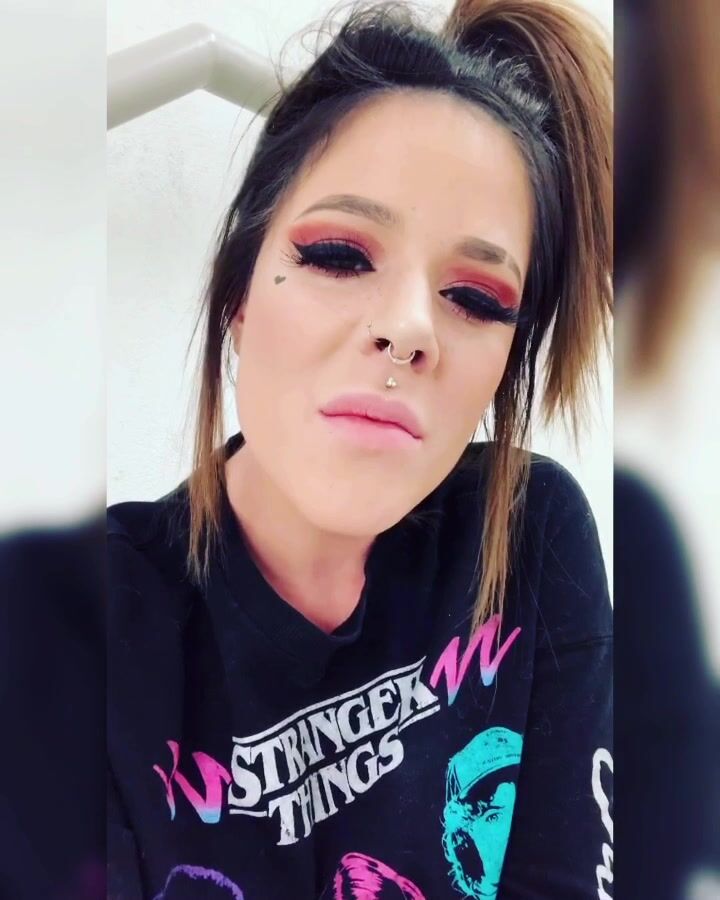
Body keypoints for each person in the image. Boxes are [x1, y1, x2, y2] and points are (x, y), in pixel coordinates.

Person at [108, 1, 612, 897]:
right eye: (340, 254)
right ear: (239, 294)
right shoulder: (78, 618)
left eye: (477, 298)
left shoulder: (533, 536)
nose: (410, 329)